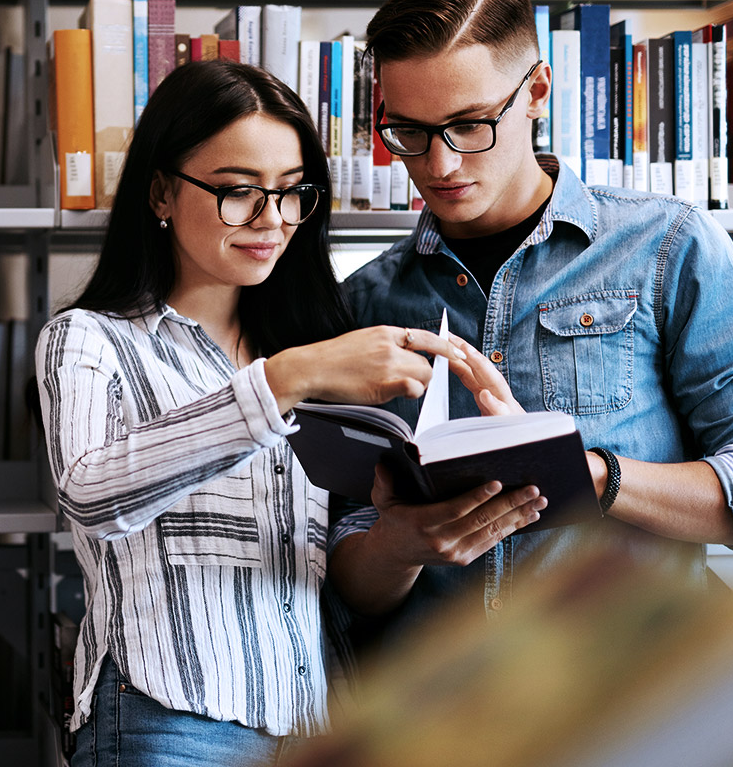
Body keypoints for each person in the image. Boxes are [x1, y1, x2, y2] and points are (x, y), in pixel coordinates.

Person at [35, 59, 535, 766]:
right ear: (160, 193)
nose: (272, 221)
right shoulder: (90, 339)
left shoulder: (304, 348)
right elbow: (89, 492)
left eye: (292, 193)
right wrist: (287, 378)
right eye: (239, 192)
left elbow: (329, 571)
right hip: (171, 723)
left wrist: (410, 528)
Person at [330, 0, 733, 646]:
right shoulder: (366, 300)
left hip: (621, 707)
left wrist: (586, 474)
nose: (437, 166)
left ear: (537, 91)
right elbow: (347, 572)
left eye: (469, 125)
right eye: (408, 131)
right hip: (437, 718)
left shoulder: (666, 246)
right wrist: (395, 546)